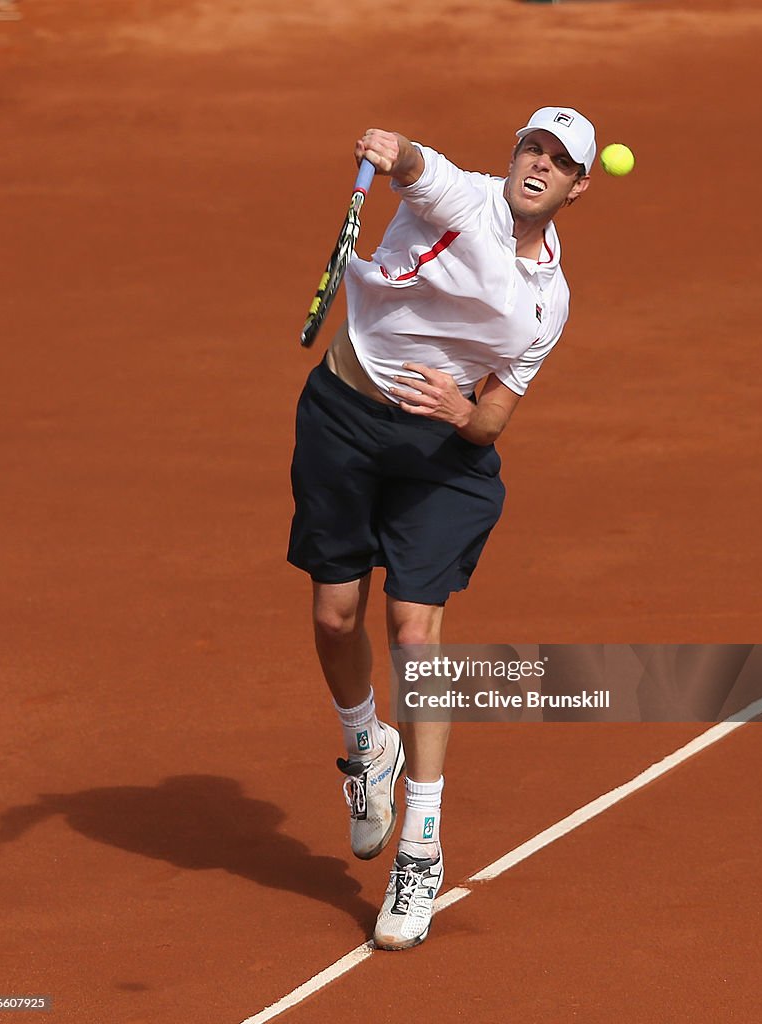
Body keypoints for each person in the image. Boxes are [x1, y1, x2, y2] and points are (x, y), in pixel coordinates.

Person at [287, 107, 596, 950]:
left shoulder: (548, 302)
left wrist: (464, 411)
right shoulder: (461, 201)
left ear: (576, 187)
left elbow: (494, 418)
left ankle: (420, 848)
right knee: (333, 616)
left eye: (558, 160)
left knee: (413, 630)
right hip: (343, 419)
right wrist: (396, 151)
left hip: (439, 456)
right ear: (514, 157)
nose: (539, 163)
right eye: (532, 147)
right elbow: (422, 168)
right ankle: (365, 748)